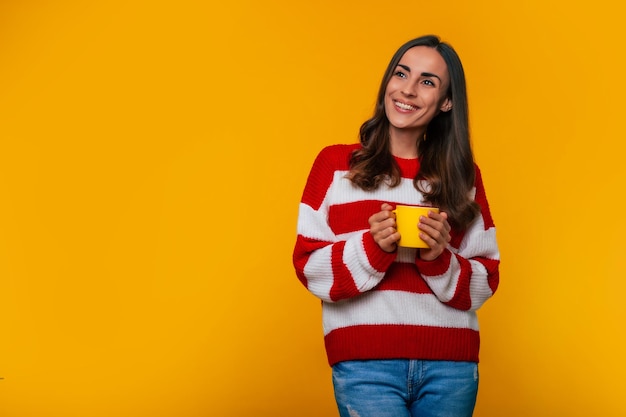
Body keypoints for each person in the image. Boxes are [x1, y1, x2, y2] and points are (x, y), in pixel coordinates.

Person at [292, 34, 500, 417]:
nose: (407, 89)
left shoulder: (463, 177)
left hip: (451, 368)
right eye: (401, 74)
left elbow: (486, 280)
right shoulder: (336, 166)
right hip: (364, 365)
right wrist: (373, 247)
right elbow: (309, 268)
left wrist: (439, 257)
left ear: (446, 102)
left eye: (427, 82)